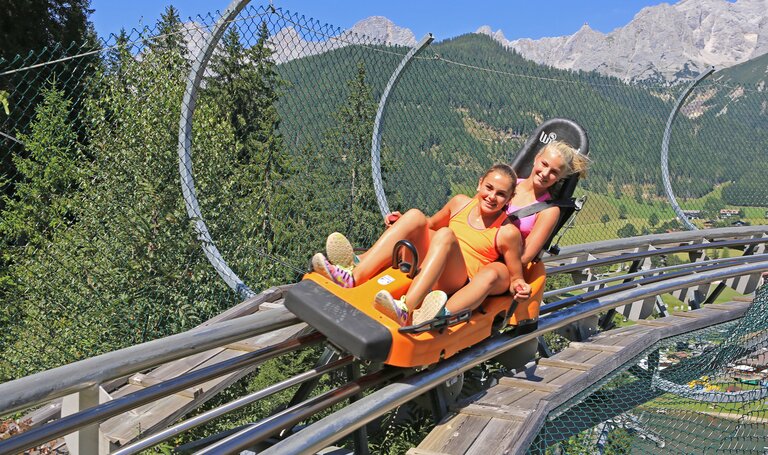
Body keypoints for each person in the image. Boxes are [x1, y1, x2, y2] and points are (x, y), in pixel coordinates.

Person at [312, 164, 530, 326]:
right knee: (415, 215)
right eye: (489, 188)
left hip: (455, 281)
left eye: (501, 194)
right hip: (428, 263)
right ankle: (354, 273)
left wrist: (520, 287)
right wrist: (402, 222)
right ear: (480, 183)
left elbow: (515, 277)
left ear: (509, 199)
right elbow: (428, 224)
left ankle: (406, 308)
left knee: (445, 235)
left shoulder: (507, 232)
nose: (492, 197)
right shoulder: (460, 203)